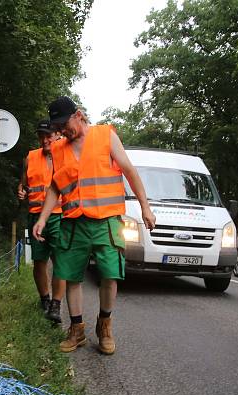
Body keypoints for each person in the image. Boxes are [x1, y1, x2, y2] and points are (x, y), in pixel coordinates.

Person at [32, 96, 156, 355]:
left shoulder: (105, 136)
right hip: (74, 222)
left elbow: (130, 172)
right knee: (70, 276)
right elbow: (56, 186)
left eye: (64, 124)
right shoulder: (58, 148)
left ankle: (105, 325)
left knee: (110, 275)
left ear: (78, 115)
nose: (61, 130)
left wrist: (145, 207)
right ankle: (76, 330)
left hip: (107, 221)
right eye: (57, 127)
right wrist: (43, 218)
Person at [17, 119, 66, 323]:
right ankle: (44, 300)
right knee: (39, 261)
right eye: (41, 136)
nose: (45, 139)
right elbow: (23, 185)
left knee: (61, 262)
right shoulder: (30, 157)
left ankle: (56, 304)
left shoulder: (66, 155)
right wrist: (21, 191)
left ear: (57, 135)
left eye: (49, 135)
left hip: (59, 215)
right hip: (36, 216)